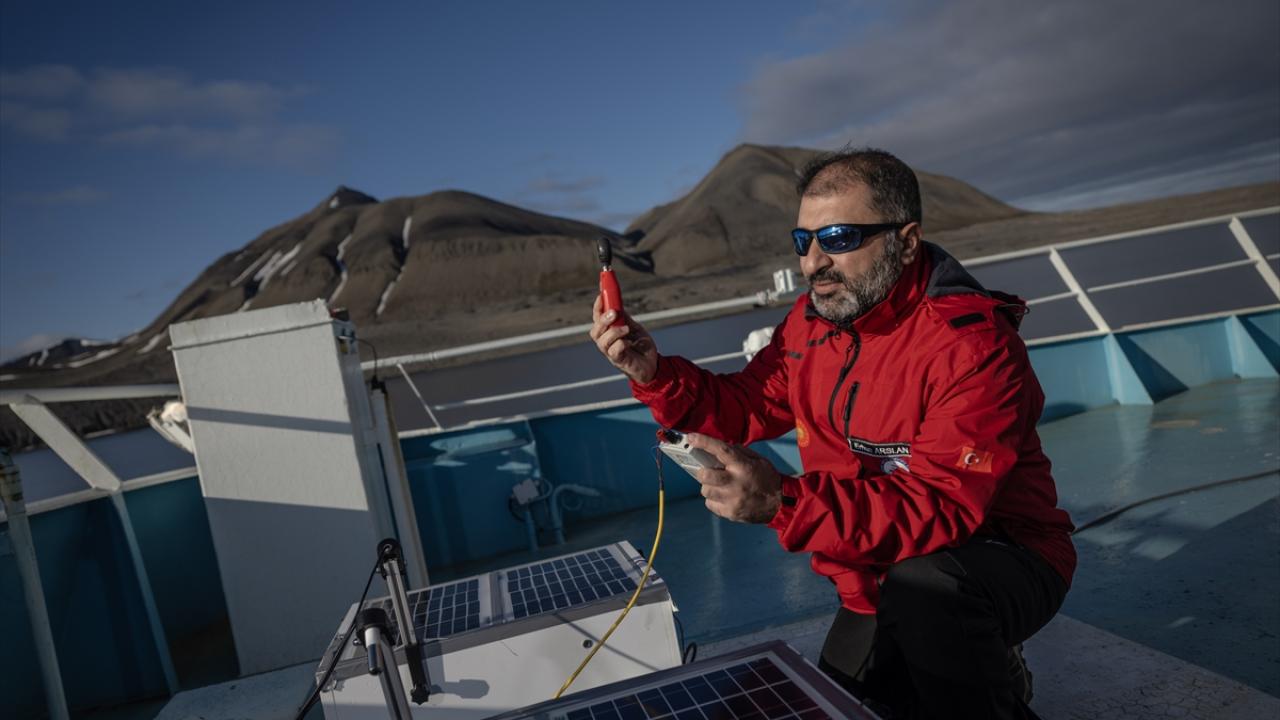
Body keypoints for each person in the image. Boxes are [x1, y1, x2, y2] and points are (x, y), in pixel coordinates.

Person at [589, 147, 1075, 719]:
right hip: (875, 579)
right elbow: (746, 406)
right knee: (843, 704)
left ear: (907, 242)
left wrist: (781, 500)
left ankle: (989, 664)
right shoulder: (810, 325)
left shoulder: (972, 346)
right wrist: (653, 373)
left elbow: (940, 508)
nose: (813, 261)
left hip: (1003, 556)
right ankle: (991, 665)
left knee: (930, 594)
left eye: (839, 238)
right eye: (803, 241)